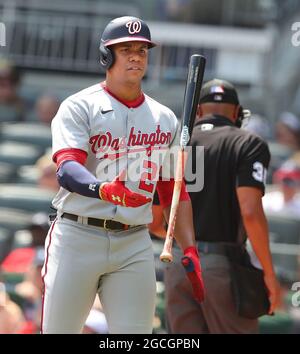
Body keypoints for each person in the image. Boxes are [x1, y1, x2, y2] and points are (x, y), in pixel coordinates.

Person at [42, 16, 204, 334]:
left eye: (141, 50)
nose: (135, 56)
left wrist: (190, 247)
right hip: (78, 235)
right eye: (125, 49)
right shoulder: (79, 106)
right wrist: (103, 189)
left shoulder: (164, 118)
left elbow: (175, 190)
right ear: (107, 56)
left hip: (133, 241)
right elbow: (67, 169)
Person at [164, 78, 280, 334]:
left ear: (198, 111)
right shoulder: (247, 143)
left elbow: (153, 219)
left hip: (178, 265)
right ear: (237, 113)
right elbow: (250, 211)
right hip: (222, 267)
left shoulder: (176, 146)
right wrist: (268, 274)